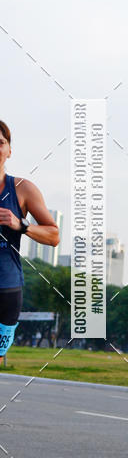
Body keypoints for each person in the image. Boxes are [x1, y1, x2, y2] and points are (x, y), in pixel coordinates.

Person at [0, 121, 60, 357]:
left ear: (9, 151)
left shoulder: (23, 189)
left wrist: (21, 224)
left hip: (6, 287)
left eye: (1, 143)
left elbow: (54, 236)